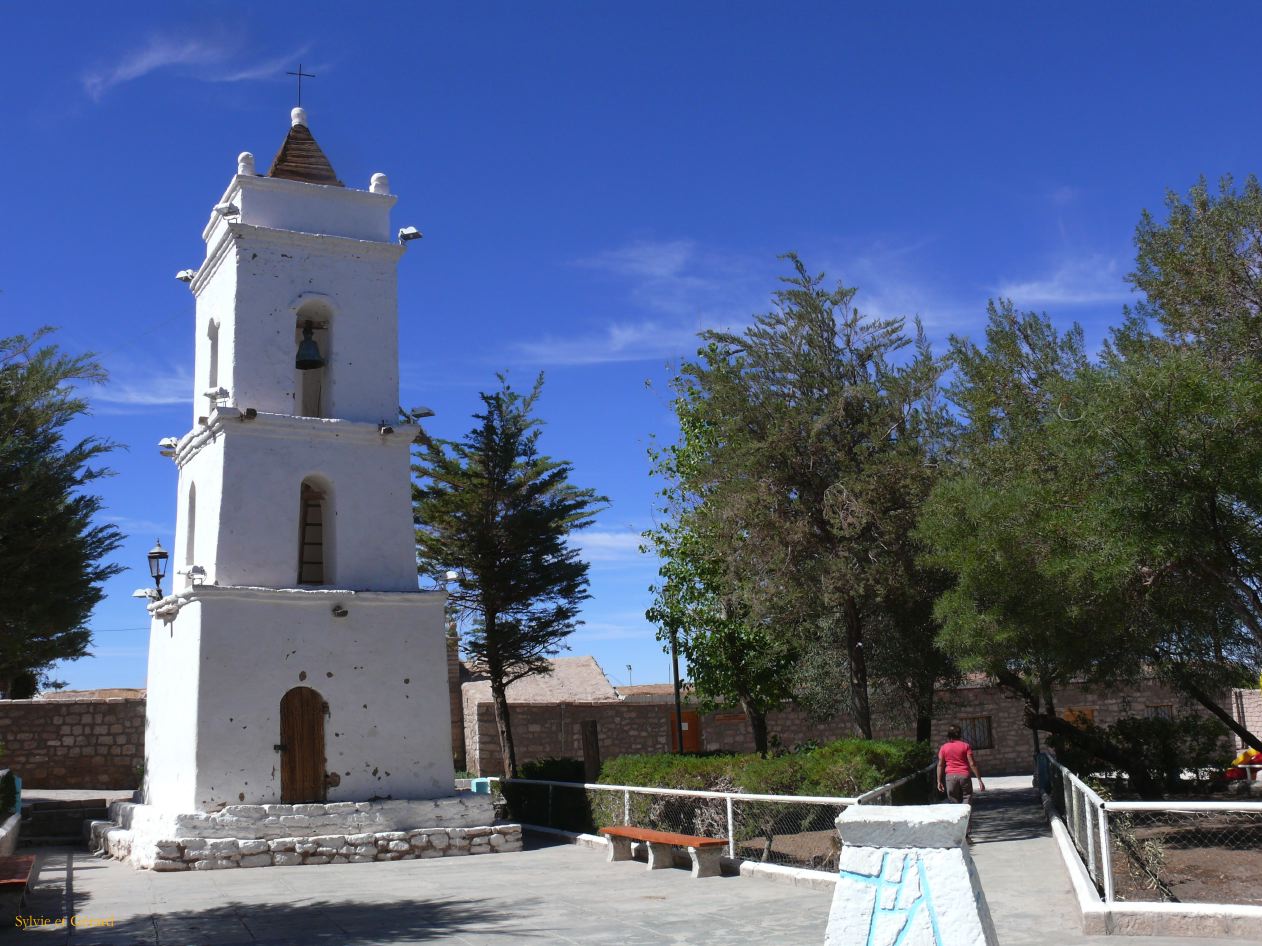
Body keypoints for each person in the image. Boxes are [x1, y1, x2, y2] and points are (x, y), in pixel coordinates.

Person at [937, 724, 986, 810]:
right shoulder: (965, 746)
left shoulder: (944, 748)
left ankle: (958, 822)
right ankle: (967, 822)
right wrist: (979, 779)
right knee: (967, 801)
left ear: (948, 735)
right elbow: (972, 764)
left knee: (954, 804)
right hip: (964, 776)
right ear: (960, 734)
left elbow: (940, 765)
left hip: (950, 777)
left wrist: (939, 781)